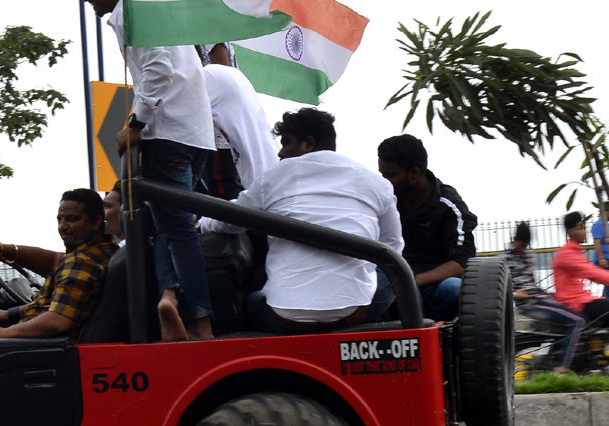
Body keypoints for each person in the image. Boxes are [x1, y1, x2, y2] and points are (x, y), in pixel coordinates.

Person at [74, 0, 215, 342]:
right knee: (160, 225)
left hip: (167, 133)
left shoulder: (129, 11)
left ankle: (199, 321)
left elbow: (158, 69)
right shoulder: (158, 8)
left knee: (177, 231)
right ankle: (170, 298)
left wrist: (136, 122)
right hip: (195, 135)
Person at [204, 108, 402, 333]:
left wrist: (202, 223)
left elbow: (228, 220)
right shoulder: (377, 183)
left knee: (253, 301)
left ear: (308, 143)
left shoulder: (273, 177)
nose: (279, 154)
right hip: (355, 313)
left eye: (286, 143)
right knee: (389, 274)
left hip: (283, 317)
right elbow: (393, 248)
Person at [0, 188, 117, 343]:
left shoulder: (81, 263)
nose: (62, 227)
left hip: (38, 348)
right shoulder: (102, 251)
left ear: (95, 222)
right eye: (60, 220)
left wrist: (2, 333)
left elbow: (56, 321)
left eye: (72, 219)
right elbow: (53, 260)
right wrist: (1, 249)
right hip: (41, 343)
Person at [376, 134, 477, 321]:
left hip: (432, 289)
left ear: (414, 173)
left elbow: (461, 264)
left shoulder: (449, 206)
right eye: (381, 175)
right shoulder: (384, 201)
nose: (383, 182)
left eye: (390, 175)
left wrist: (409, 282)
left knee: (453, 289)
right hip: (390, 290)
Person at [198, 42, 278, 197]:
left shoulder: (208, 33)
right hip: (215, 129)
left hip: (219, 133)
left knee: (223, 191)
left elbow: (221, 75)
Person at [503, 221, 584, 373]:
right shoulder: (503, 260)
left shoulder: (528, 255)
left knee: (573, 316)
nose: (524, 248)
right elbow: (497, 288)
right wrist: (515, 294)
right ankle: (562, 367)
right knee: (578, 321)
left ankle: (554, 361)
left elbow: (532, 283)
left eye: (526, 245)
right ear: (513, 240)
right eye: (521, 245)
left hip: (540, 300)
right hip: (530, 305)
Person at [554, 211, 609, 326]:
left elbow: (592, 270)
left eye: (583, 228)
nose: (584, 232)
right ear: (570, 231)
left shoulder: (574, 251)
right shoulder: (566, 253)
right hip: (575, 301)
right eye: (580, 228)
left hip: (582, 298)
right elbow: (591, 273)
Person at [591, 214, 609, 301]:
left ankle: (606, 302)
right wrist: (601, 259)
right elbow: (597, 242)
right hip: (605, 259)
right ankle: (608, 304)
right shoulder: (599, 224)